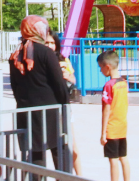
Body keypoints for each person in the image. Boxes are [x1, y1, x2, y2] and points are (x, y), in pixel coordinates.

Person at [8, 15, 70, 169]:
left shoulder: (16, 55)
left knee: (35, 155)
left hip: (26, 112)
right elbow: (59, 83)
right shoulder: (45, 52)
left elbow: (15, 87)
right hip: (49, 112)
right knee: (59, 152)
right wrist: (65, 104)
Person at [47, 33, 82, 175]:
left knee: (72, 146)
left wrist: (69, 77)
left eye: (52, 43)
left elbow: (73, 80)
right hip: (49, 107)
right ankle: (62, 175)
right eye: (47, 43)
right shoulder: (41, 61)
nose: (49, 46)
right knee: (56, 147)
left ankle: (79, 176)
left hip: (64, 107)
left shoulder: (63, 59)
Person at [99, 50, 129, 181]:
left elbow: (106, 109)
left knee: (113, 160)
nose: (100, 71)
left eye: (100, 67)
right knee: (124, 157)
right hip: (122, 126)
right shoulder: (123, 82)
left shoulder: (109, 85)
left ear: (107, 67)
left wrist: (103, 132)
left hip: (111, 128)